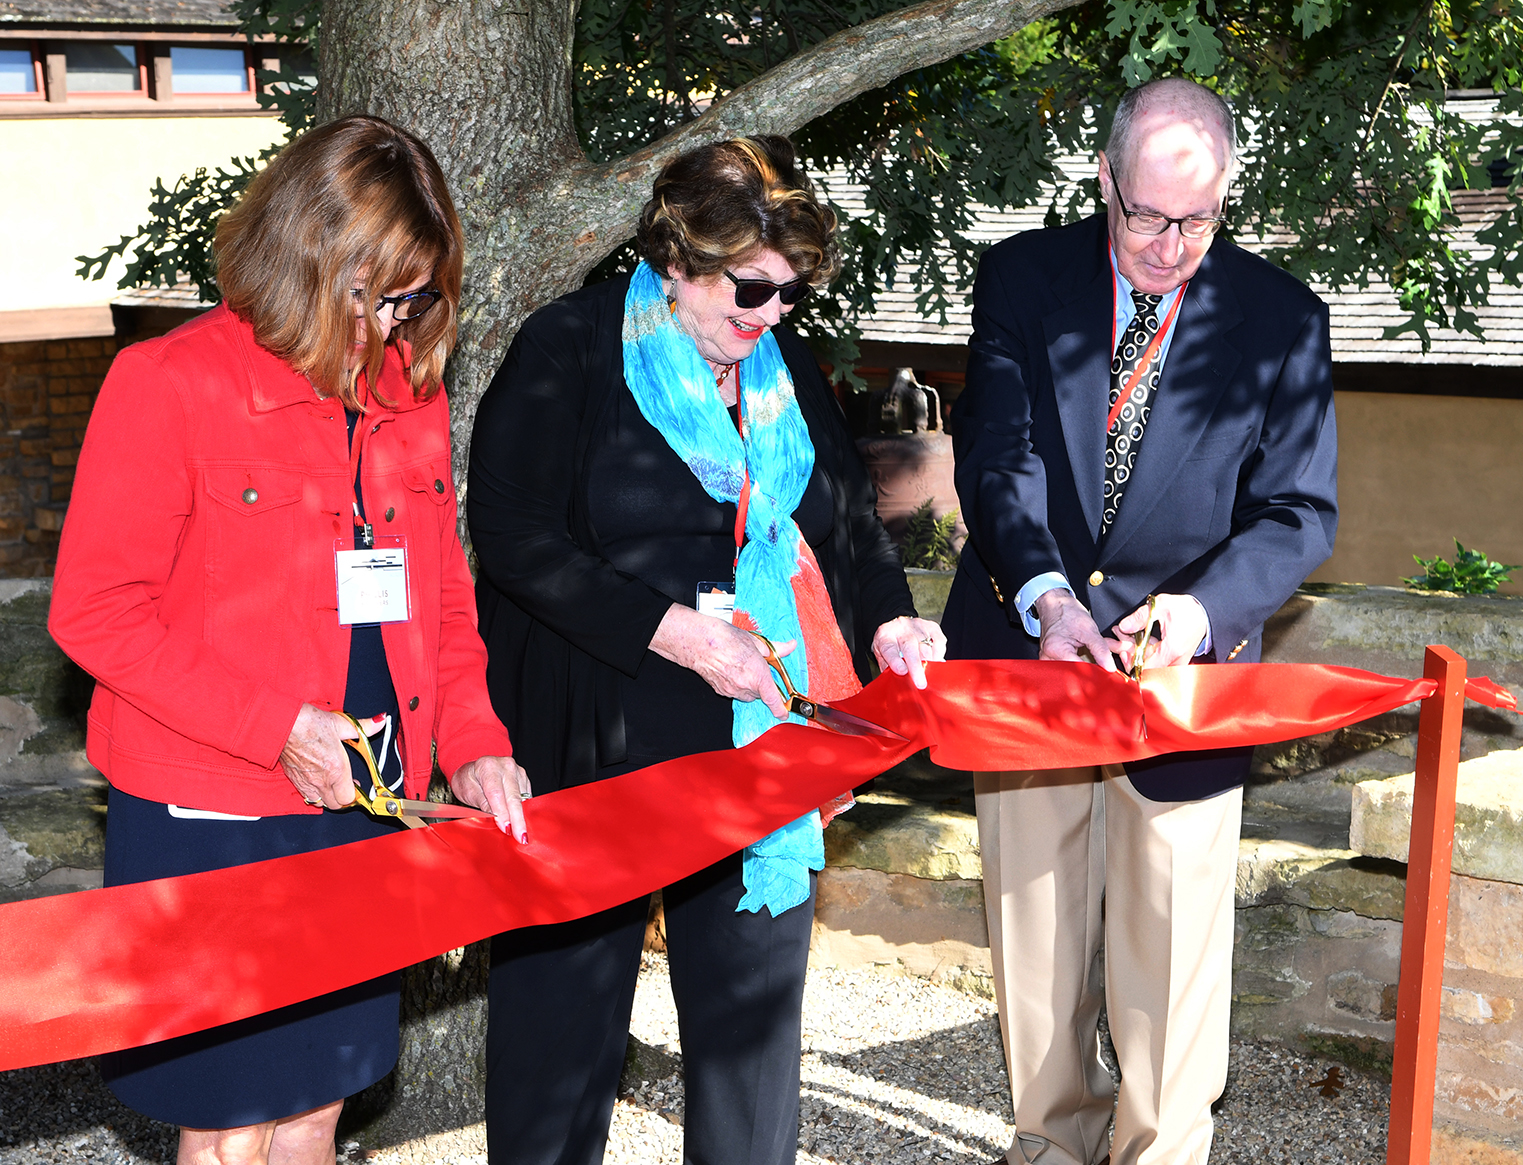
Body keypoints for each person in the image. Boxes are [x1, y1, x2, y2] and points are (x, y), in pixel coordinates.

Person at [49, 114, 530, 1165]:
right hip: (215, 810)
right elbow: (92, 612)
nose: (394, 322)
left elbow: (442, 599)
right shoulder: (170, 383)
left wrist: (477, 741)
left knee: (318, 1102)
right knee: (229, 1122)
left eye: (414, 294)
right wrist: (276, 726)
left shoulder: (410, 396)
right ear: (304, 256)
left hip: (364, 800)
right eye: (376, 292)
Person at [468, 134, 944, 1165]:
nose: (768, 315)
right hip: (591, 730)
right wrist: (677, 632)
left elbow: (849, 530)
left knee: (748, 1036)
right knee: (561, 1033)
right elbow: (511, 537)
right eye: (749, 289)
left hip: (755, 740)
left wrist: (888, 622)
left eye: (787, 295)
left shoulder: (784, 369)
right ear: (679, 256)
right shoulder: (570, 346)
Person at [943, 79, 1338, 1165]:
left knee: (1168, 939)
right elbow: (996, 459)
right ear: (1104, 180)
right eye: (1146, 217)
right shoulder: (1021, 277)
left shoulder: (1280, 320)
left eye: (1196, 221)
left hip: (1183, 676)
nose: (1168, 248)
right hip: (1034, 647)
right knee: (1036, 925)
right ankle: (1048, 1137)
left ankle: (1159, 1149)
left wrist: (1203, 608)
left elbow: (1297, 513)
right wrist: (1044, 595)